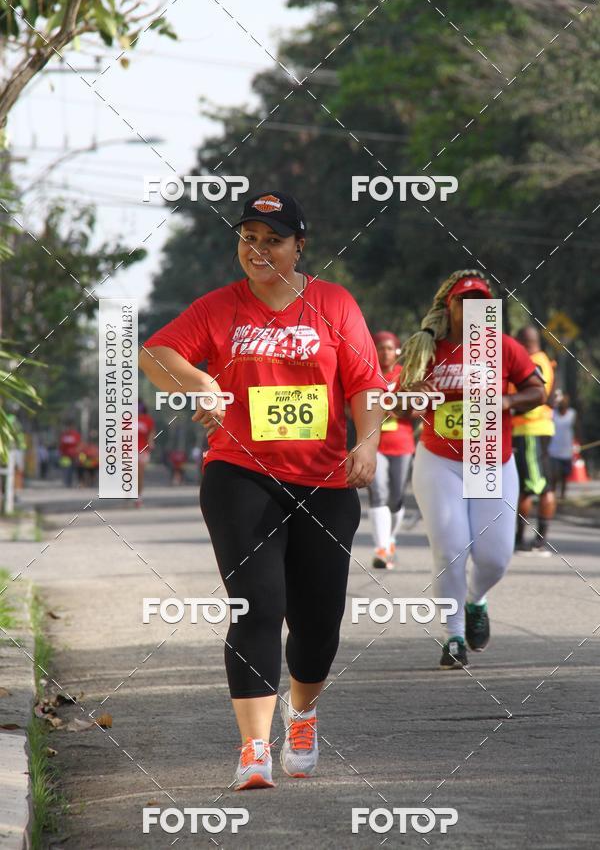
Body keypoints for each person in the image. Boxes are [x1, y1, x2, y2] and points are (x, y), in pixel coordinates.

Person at [140, 190, 384, 789]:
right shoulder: (219, 308)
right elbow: (154, 352)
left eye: (272, 239)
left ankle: (301, 714)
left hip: (325, 480)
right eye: (248, 238)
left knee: (318, 619)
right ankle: (253, 748)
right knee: (256, 605)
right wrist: (199, 381)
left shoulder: (333, 304)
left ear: (300, 245)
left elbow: (365, 382)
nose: (258, 249)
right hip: (240, 476)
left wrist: (370, 440)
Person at [400, 270, 545, 670]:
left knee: (495, 558)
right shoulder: (425, 348)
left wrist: (507, 404)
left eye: (482, 301)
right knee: (449, 548)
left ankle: (475, 599)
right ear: (449, 307)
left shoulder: (504, 348)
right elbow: (395, 401)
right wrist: (413, 395)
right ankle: (454, 635)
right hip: (439, 459)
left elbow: (538, 391)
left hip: (491, 458)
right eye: (465, 301)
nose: (474, 308)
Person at [369, 331, 415, 570]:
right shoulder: (367, 372)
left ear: (396, 351)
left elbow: (421, 407)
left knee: (396, 499)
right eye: (379, 347)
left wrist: (399, 409)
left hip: (402, 444)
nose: (384, 352)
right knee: (378, 493)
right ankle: (381, 549)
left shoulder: (405, 375)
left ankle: (391, 538)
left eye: (388, 348)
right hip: (373, 443)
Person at [512, 326, 556, 555]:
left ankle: (531, 541)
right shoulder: (543, 360)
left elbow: (536, 397)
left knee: (531, 487)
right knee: (534, 484)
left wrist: (510, 406)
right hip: (535, 430)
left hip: (530, 429)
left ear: (523, 342)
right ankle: (528, 539)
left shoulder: (534, 363)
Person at [549, 392, 577, 499]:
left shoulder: (572, 414)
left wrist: (577, 443)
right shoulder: (552, 413)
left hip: (567, 450)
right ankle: (553, 494)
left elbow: (576, 429)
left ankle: (562, 495)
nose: (563, 404)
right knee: (554, 475)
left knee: (565, 475)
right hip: (553, 449)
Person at [137, 401, 155, 507]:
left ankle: (138, 496)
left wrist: (151, 442)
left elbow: (151, 432)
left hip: (142, 449)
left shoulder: (147, 420)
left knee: (139, 472)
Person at [58, 423, 81, 487]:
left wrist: (78, 453)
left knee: (74, 470)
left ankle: (73, 482)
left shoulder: (75, 435)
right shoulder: (64, 435)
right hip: (65, 456)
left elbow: (79, 445)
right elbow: (61, 445)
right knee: (66, 469)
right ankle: (67, 482)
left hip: (74, 455)